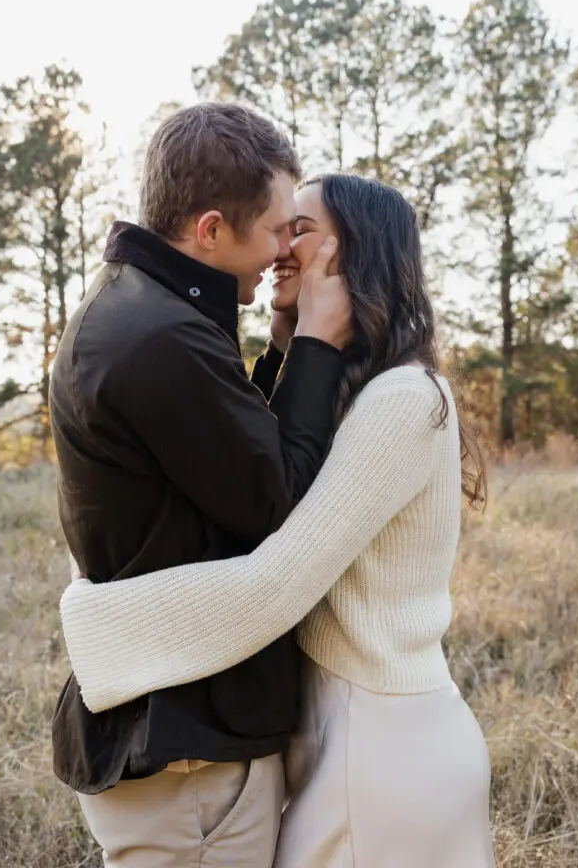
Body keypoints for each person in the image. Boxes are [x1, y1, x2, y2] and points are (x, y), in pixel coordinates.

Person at [60, 175, 496, 868]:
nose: (277, 248)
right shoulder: (345, 396)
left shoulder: (402, 399)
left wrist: (94, 623)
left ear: (356, 254)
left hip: (381, 748)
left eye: (300, 229)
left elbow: (278, 579)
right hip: (339, 734)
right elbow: (251, 489)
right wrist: (293, 352)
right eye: (278, 228)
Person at [49, 104, 353, 867]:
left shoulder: (144, 313)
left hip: (176, 724)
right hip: (187, 747)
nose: (287, 249)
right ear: (211, 229)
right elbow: (276, 501)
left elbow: (224, 464)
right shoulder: (159, 337)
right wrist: (317, 341)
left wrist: (282, 349)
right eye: (280, 227)